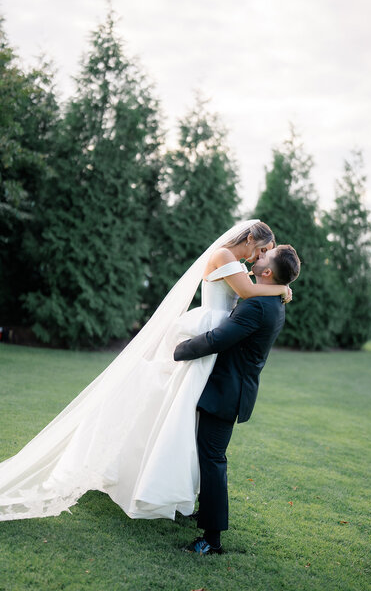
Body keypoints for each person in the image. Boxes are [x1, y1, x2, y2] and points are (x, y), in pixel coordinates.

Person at [0, 220, 290, 522]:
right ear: (252, 238)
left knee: (183, 414)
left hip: (215, 336)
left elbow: (248, 293)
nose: (259, 258)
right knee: (176, 408)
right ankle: (146, 481)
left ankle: (173, 487)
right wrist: (282, 287)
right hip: (207, 332)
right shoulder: (224, 256)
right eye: (262, 250)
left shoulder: (237, 263)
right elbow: (245, 291)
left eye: (265, 254)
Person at [174, 245, 301, 555]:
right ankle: (196, 510)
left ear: (268, 272)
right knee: (204, 453)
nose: (256, 258)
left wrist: (177, 350)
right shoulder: (269, 299)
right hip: (228, 387)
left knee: (213, 459)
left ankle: (211, 539)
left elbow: (219, 339)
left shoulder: (259, 307)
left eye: (263, 258)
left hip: (228, 391)